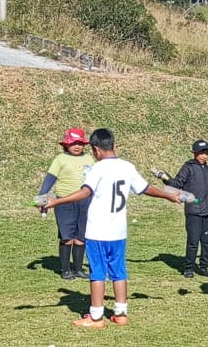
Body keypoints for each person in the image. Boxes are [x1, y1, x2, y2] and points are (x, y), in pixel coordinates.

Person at [40, 127, 193, 328]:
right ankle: (121, 313)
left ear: (95, 150)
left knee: (97, 272)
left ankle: (96, 317)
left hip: (97, 231)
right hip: (118, 231)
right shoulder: (127, 167)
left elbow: (85, 192)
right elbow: (145, 189)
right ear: (114, 146)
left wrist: (55, 202)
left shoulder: (98, 168)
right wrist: (170, 195)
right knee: (119, 271)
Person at [166, 139, 208, 278]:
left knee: (207, 243)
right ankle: (189, 268)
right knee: (193, 241)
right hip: (194, 211)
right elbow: (177, 183)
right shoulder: (188, 167)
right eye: (201, 153)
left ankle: (203, 267)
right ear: (194, 153)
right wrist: (164, 177)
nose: (204, 156)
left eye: (206, 153)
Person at [37, 128, 93, 280]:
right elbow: (50, 178)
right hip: (64, 201)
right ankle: (66, 269)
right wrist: (42, 196)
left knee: (81, 237)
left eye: (80, 143)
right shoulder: (60, 159)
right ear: (66, 144)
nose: (77, 146)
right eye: (74, 143)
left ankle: (78, 269)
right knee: (67, 236)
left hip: (85, 201)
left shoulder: (89, 159)